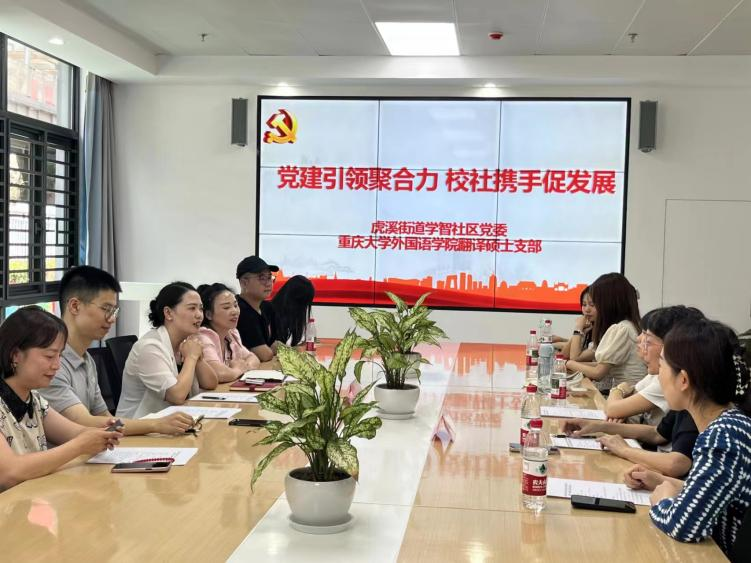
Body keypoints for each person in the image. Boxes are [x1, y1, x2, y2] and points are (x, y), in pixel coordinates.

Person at [622, 318, 751, 556]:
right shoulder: (729, 423)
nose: (659, 375)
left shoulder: (722, 438)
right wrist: (662, 481)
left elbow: (682, 525)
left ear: (683, 380)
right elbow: (713, 492)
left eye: (662, 365)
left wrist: (663, 499)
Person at [39, 266, 194, 435]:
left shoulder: (86, 360)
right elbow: (86, 422)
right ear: (75, 306)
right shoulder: (52, 365)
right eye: (106, 309)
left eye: (114, 311)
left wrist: (124, 428)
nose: (112, 319)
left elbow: (105, 418)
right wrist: (155, 425)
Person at [0, 307, 121, 490]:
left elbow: (75, 432)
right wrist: (80, 445)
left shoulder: (34, 400)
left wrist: (101, 434)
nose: (57, 365)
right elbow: (9, 473)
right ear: (15, 355)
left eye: (60, 355)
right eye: (49, 356)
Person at [117, 282, 217, 419]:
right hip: (138, 426)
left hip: (171, 422)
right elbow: (177, 395)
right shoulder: (149, 347)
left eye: (201, 309)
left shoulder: (185, 344)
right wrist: (191, 358)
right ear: (168, 313)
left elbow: (210, 383)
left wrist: (196, 357)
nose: (199, 315)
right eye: (192, 308)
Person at [605, 306, 705, 424]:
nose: (639, 340)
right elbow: (657, 432)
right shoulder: (657, 375)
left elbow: (614, 409)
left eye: (648, 340)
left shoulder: (672, 380)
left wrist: (618, 390)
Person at [565, 272, 646, 391]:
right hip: (625, 394)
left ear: (609, 303)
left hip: (626, 396)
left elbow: (598, 373)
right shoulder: (629, 325)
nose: (588, 309)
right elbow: (602, 365)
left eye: (595, 303)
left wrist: (569, 364)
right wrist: (570, 364)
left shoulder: (621, 329)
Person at [196, 283, 260, 382]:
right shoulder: (203, 337)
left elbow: (253, 358)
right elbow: (218, 373)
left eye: (235, 305)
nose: (235, 311)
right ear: (208, 314)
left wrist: (244, 367)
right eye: (226, 307)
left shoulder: (231, 334)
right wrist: (238, 370)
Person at [235, 256, 279, 361]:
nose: (268, 283)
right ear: (244, 283)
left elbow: (276, 343)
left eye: (270, 277)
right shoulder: (239, 310)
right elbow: (265, 355)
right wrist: (271, 350)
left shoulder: (267, 307)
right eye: (262, 278)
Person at [271, 275, 315, 346]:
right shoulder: (269, 314)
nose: (303, 310)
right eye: (302, 304)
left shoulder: (287, 318)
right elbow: (272, 347)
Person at [560, 286, 596, 361]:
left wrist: (578, 327)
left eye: (592, 305)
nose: (587, 309)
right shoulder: (589, 327)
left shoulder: (606, 331)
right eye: (584, 304)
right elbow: (564, 355)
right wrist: (581, 331)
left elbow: (574, 358)